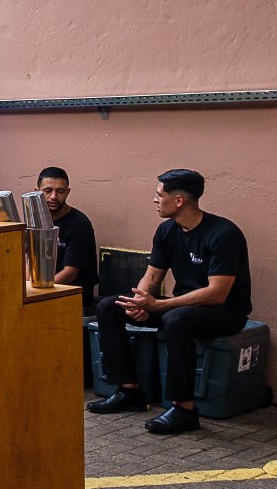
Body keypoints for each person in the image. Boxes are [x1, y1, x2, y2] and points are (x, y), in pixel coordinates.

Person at [88, 169, 252, 435]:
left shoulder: (224, 234)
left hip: (225, 311)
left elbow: (217, 293)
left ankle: (184, 409)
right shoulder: (167, 230)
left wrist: (158, 306)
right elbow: (153, 275)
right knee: (110, 306)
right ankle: (129, 391)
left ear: (178, 200)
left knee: (176, 320)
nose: (155, 200)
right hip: (183, 306)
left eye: (159, 195)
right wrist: (140, 302)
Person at [36, 167, 98, 305]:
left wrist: (38, 293)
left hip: (73, 295)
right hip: (42, 291)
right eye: (48, 191)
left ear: (68, 192)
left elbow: (70, 273)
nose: (53, 196)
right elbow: (28, 262)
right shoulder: (35, 220)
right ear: (37, 192)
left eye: (60, 191)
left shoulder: (80, 224)